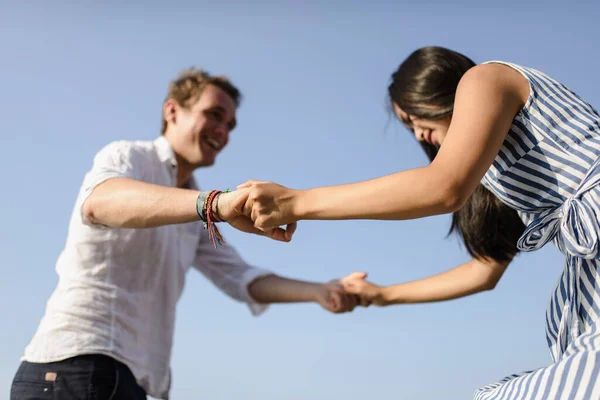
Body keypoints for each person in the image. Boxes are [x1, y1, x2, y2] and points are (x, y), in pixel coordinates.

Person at [240, 46, 600, 399]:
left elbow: (443, 188)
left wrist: (297, 202)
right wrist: (383, 295)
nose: (416, 134)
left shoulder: (485, 78)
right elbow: (483, 272)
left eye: (413, 117)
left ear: (431, 89)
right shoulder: (496, 177)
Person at [10, 68, 361, 400]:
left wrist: (318, 292)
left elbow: (241, 278)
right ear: (172, 111)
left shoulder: (194, 213)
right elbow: (99, 202)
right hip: (71, 368)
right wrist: (215, 204)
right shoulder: (129, 156)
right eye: (214, 115)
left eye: (230, 124)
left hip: (128, 380)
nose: (223, 131)